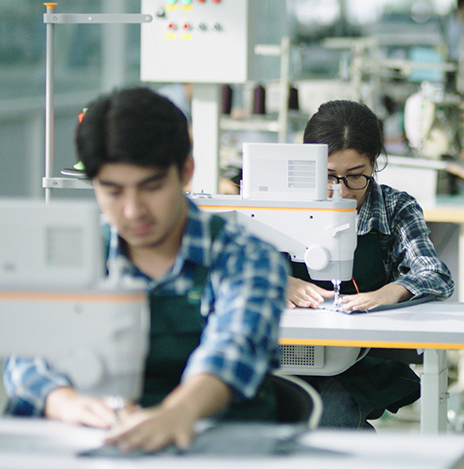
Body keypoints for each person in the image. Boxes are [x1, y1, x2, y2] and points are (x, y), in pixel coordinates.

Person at [3, 87, 288, 453]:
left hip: (214, 450)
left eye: (151, 187)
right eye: (113, 191)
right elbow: (27, 353)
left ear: (186, 171)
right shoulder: (72, 256)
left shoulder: (246, 258)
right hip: (100, 442)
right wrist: (67, 403)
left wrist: (178, 412)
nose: (133, 210)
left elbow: (234, 348)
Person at [286, 100, 454, 429]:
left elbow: (436, 275)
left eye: (355, 177)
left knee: (334, 411)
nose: (341, 190)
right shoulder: (280, 204)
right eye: (328, 176)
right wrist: (275, 280)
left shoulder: (394, 208)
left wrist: (394, 291)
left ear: (374, 164)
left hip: (360, 360)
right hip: (286, 353)